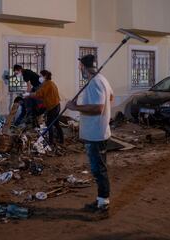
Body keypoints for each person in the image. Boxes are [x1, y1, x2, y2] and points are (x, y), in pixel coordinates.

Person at [66, 54, 114, 213]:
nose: (79, 69)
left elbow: (98, 108)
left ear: (84, 68)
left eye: (80, 67)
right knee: (99, 168)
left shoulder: (95, 82)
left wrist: (76, 108)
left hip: (96, 134)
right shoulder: (102, 80)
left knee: (98, 169)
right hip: (98, 131)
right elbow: (111, 97)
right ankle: (101, 200)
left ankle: (104, 204)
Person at [24, 70, 64, 144]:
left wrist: (29, 94)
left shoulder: (47, 84)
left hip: (53, 107)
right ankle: (61, 140)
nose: (40, 77)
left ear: (45, 76)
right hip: (56, 105)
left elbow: (39, 93)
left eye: (41, 76)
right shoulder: (51, 83)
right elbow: (44, 95)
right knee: (55, 123)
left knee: (49, 124)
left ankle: (51, 142)